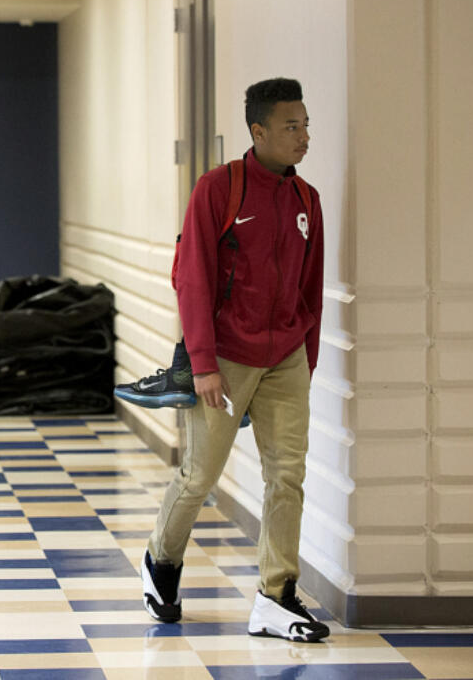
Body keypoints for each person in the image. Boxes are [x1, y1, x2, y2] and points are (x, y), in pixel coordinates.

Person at [140, 77, 329, 643]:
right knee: (200, 475)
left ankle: (276, 595)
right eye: (291, 126)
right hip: (224, 358)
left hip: (286, 357)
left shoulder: (306, 199)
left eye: (306, 125)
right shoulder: (220, 189)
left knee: (287, 476)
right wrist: (202, 362)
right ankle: (161, 562)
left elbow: (310, 285)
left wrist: (306, 357)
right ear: (259, 130)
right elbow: (191, 277)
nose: (303, 137)